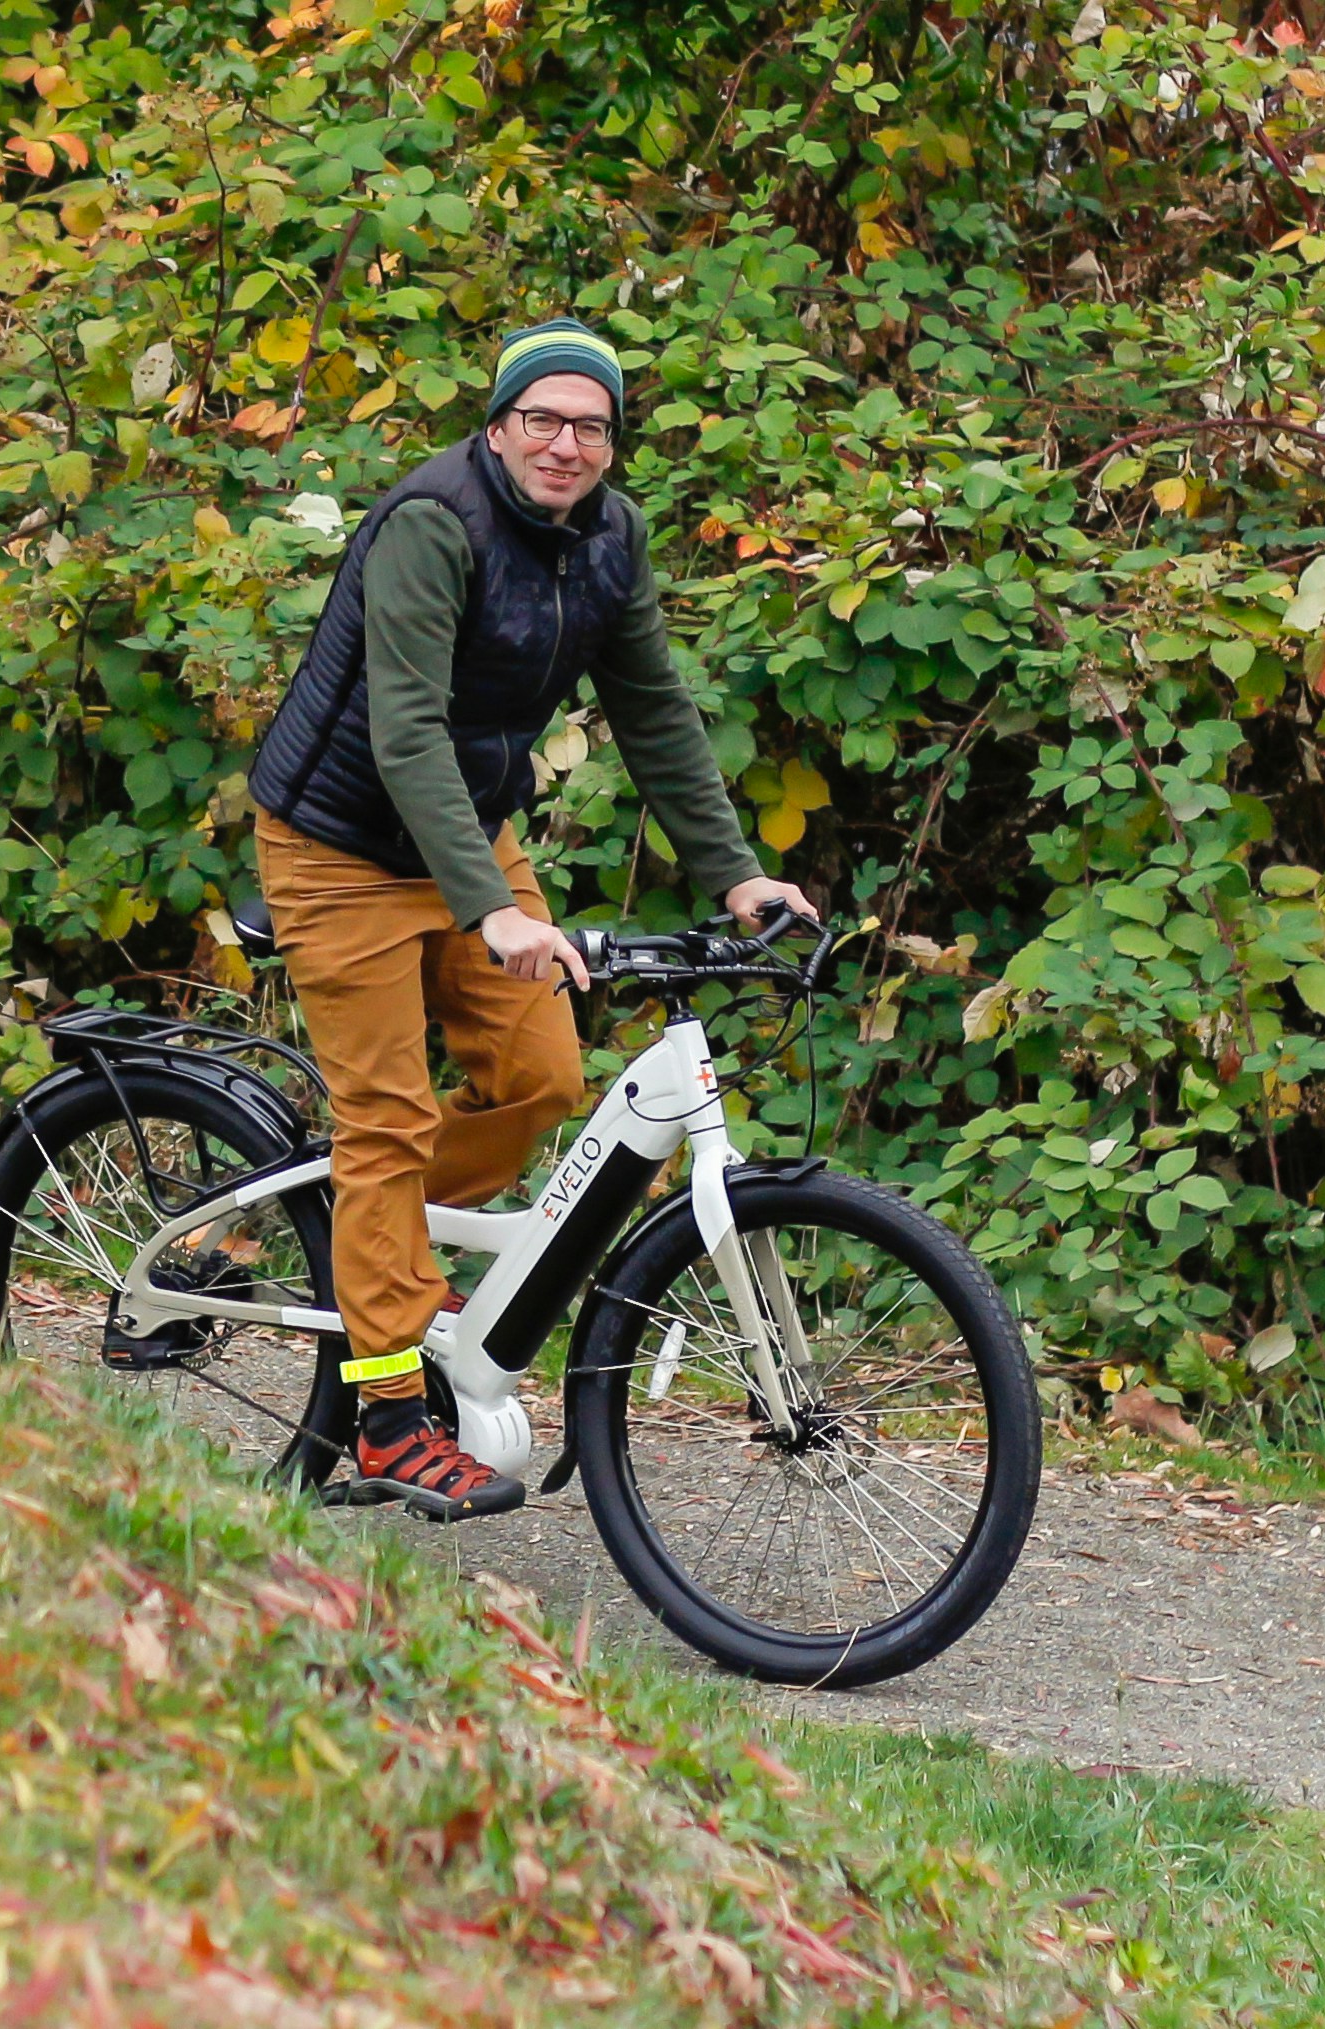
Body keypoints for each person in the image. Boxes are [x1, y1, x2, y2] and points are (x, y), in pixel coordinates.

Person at [244, 317, 817, 1521]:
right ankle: (392, 1418)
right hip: (340, 837)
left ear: (613, 442)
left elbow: (654, 710)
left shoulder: (610, 539)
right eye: (542, 419)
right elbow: (403, 731)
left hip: (468, 836)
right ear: (498, 425)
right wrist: (494, 910)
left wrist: (735, 875)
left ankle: (378, 1238)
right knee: (389, 1117)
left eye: (592, 425)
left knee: (544, 1070)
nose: (566, 443)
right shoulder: (430, 526)